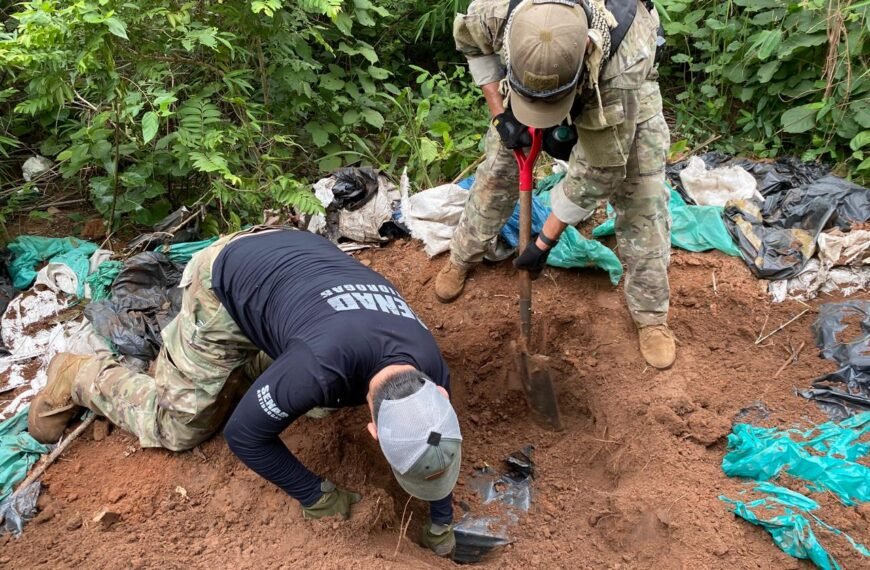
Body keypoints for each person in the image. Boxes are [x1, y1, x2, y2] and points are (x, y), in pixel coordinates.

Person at [28, 228, 461, 557]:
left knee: (319, 403)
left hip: (299, 260)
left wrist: (442, 519)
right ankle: (79, 375)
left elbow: (433, 441)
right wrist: (315, 494)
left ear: (440, 398)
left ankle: (247, 367)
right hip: (225, 280)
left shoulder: (432, 366)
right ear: (373, 430)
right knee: (179, 427)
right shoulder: (318, 371)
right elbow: (245, 437)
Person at [437, 0, 675, 369]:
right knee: (496, 175)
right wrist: (501, 115)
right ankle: (461, 257)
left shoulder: (625, 63)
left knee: (643, 197)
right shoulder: (495, 12)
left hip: (616, 92)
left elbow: (598, 172)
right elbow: (473, 46)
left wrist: (544, 241)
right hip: (526, 84)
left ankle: (651, 315)